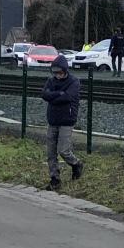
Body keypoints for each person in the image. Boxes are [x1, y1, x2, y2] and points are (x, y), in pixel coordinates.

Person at [41, 55, 83, 190]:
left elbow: (68, 97)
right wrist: (59, 94)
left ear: (65, 71)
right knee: (51, 152)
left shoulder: (74, 82)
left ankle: (76, 164)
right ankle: (55, 178)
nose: (57, 75)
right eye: (55, 73)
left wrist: (54, 96)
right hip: (53, 119)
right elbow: (45, 94)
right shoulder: (50, 81)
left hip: (67, 120)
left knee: (64, 150)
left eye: (59, 72)